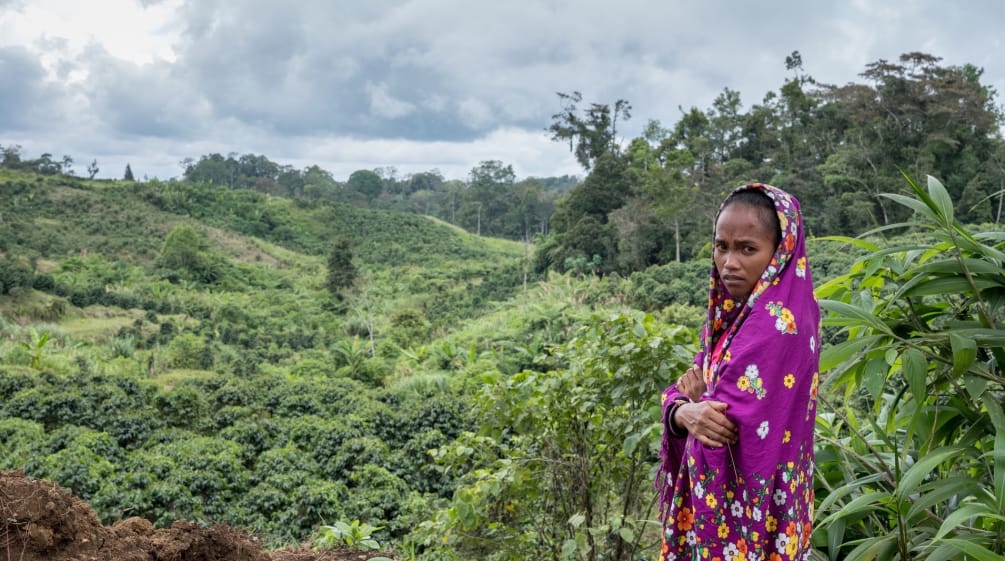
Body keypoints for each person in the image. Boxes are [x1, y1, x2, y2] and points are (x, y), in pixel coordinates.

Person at [656, 183, 820, 561]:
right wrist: (684, 408)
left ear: (779, 252)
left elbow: (715, 429)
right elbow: (692, 393)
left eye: (747, 249)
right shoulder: (733, 317)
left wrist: (684, 405)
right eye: (721, 246)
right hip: (770, 511)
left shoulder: (774, 327)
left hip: (743, 518)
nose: (729, 262)